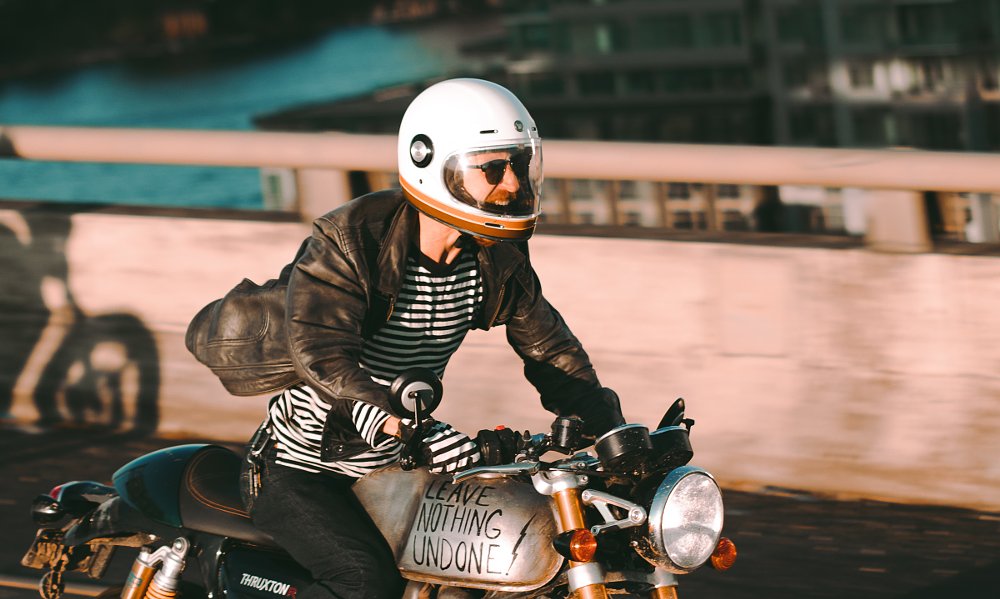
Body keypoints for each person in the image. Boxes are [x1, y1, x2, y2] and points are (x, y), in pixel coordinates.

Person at [241, 78, 625, 599]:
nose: (513, 183)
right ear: (430, 163)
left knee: (491, 568)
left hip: (396, 467)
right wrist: (408, 428)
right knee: (364, 582)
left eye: (519, 164)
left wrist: (614, 436)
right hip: (304, 468)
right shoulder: (351, 241)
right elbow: (324, 358)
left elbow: (551, 353)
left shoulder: (493, 256)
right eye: (492, 169)